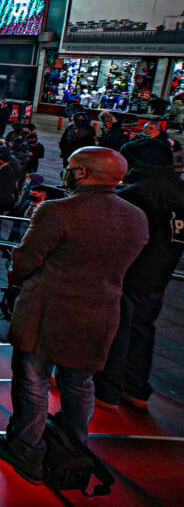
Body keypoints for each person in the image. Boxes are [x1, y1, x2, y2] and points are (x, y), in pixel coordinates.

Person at [0, 147, 149, 484]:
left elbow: (25, 260)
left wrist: (15, 281)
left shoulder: (56, 212)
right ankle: (74, 444)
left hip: (46, 312)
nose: (66, 171)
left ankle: (28, 449)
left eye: (71, 167)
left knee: (32, 381)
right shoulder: (136, 216)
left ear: (82, 174)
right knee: (79, 384)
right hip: (100, 313)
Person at [95, 140, 184, 411]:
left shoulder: (134, 195)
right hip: (159, 276)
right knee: (143, 331)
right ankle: (136, 388)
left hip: (125, 275)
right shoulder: (180, 192)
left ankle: (107, 390)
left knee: (115, 332)